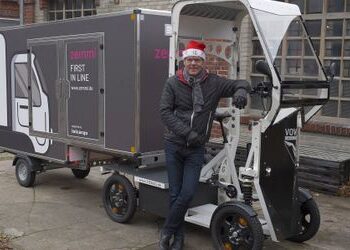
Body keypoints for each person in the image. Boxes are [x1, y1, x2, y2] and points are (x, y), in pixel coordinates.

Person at [159, 40, 250, 250]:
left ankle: (167, 230)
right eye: (189, 59)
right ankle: (178, 238)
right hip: (174, 144)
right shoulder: (173, 83)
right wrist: (188, 133)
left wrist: (240, 93)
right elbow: (164, 112)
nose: (193, 63)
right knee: (175, 193)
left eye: (197, 60)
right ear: (184, 61)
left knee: (187, 193)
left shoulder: (214, 83)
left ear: (203, 61)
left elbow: (242, 82)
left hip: (196, 149)